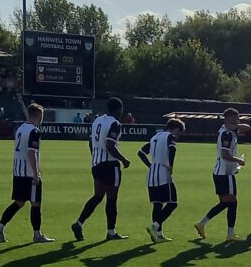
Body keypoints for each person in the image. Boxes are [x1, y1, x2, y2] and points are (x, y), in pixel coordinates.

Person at [0, 103, 54, 243]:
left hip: (18, 171)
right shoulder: (34, 131)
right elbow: (32, 152)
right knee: (35, 203)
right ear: (38, 116)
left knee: (19, 202)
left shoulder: (20, 129)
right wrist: (36, 173)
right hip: (28, 173)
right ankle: (37, 235)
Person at [72, 97, 131, 241]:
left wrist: (94, 157)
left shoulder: (97, 121)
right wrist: (123, 159)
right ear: (119, 110)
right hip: (110, 165)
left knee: (98, 196)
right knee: (112, 198)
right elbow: (110, 145)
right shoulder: (115, 124)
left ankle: (79, 223)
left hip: (97, 164)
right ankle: (111, 232)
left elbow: (91, 141)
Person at [194, 108, 248, 241]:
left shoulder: (227, 130)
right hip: (225, 173)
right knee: (231, 203)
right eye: (237, 117)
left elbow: (247, 128)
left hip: (221, 172)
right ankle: (229, 233)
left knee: (227, 203)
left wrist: (234, 125)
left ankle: (203, 224)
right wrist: (238, 160)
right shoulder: (227, 134)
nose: (239, 120)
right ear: (231, 118)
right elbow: (225, 154)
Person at [137, 118, 186, 243]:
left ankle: (158, 234)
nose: (178, 136)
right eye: (179, 133)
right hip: (164, 175)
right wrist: (171, 165)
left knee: (157, 204)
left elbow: (141, 153)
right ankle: (154, 227)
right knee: (173, 203)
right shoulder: (170, 137)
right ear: (176, 129)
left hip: (152, 175)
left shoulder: (155, 137)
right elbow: (172, 149)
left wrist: (150, 165)